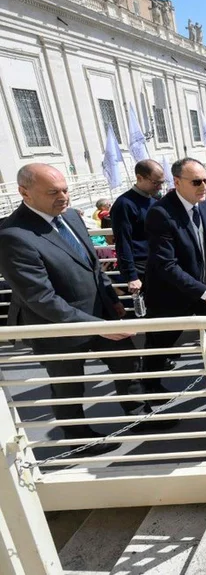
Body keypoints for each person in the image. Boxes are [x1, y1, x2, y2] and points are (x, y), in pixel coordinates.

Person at [0, 164, 166, 455]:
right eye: (53, 192)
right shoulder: (13, 235)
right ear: (24, 193)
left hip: (100, 312)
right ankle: (78, 439)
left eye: (65, 189)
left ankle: (139, 417)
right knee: (69, 386)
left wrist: (111, 299)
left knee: (128, 364)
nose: (63, 196)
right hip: (56, 327)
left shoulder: (71, 217)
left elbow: (92, 265)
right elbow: (41, 298)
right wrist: (97, 325)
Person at [143, 158, 206, 374]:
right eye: (197, 182)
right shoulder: (160, 213)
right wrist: (205, 292)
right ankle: (149, 388)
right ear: (177, 182)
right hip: (170, 294)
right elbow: (166, 265)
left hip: (203, 290)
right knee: (159, 346)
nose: (205, 186)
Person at [110, 159, 165, 296]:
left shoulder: (154, 201)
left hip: (158, 262)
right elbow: (123, 241)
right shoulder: (124, 204)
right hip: (140, 266)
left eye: (161, 183)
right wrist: (131, 275)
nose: (159, 187)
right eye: (155, 182)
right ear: (139, 178)